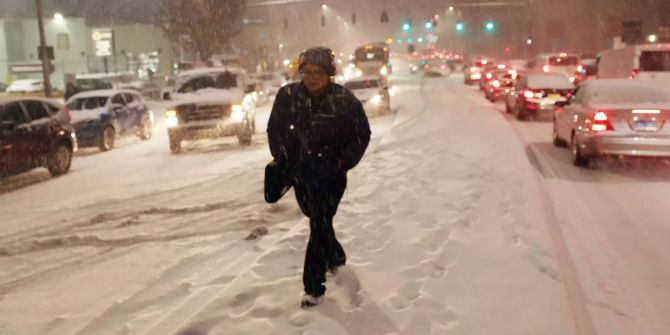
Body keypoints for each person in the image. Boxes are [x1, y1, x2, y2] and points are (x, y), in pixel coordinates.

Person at [267, 47, 371, 308]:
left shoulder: (344, 100)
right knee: (318, 220)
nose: (312, 78)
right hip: (300, 175)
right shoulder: (287, 96)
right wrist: (283, 157)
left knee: (320, 222)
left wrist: (343, 160)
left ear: (329, 75)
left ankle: (313, 288)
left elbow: (362, 134)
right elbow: (274, 130)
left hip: (331, 176)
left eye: (318, 73)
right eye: (307, 72)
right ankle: (335, 257)